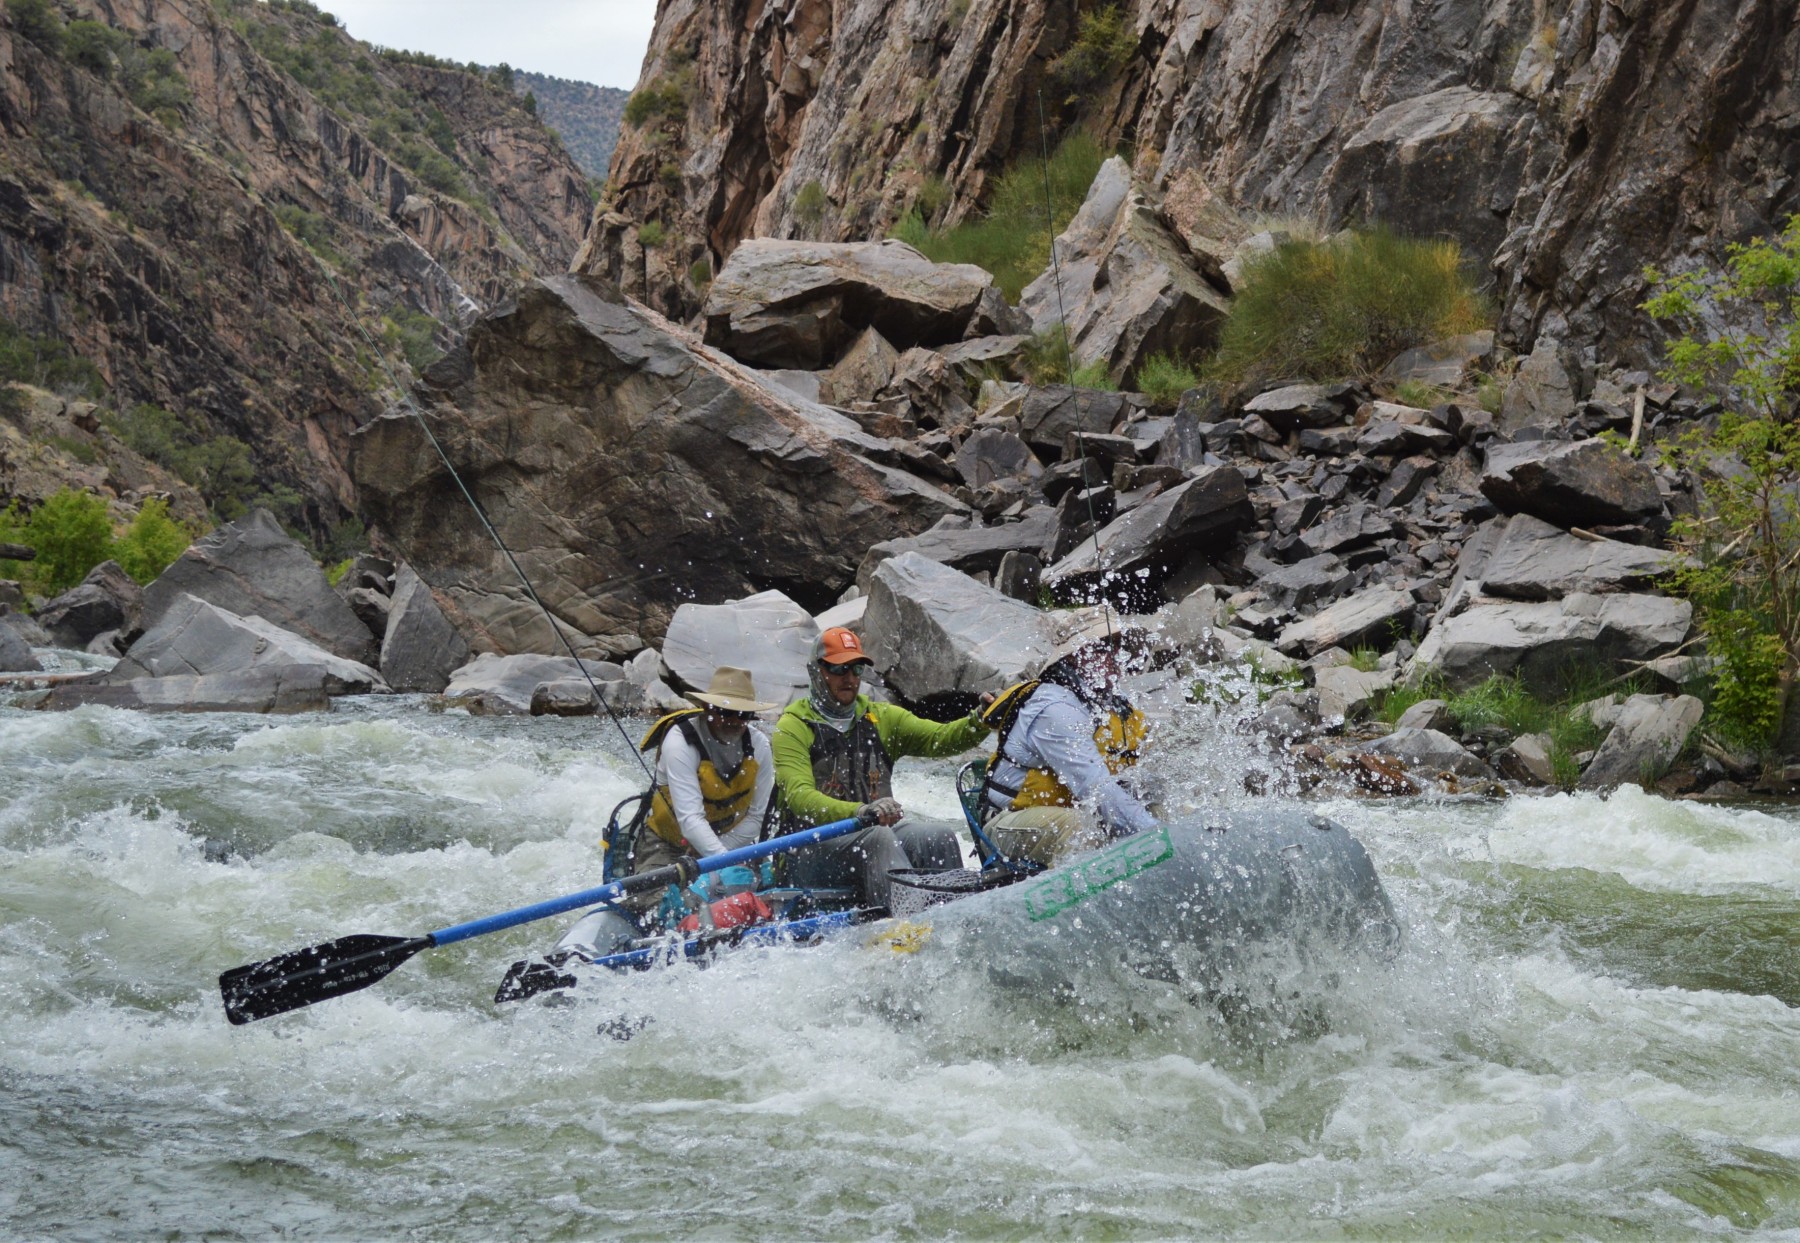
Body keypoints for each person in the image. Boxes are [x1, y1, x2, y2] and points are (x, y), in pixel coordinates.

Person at [771, 626, 989, 912]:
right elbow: (800, 798)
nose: (849, 678)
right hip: (809, 850)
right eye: (839, 669)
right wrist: (860, 811)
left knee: (938, 835)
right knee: (877, 837)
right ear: (816, 672)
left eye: (856, 669)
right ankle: (905, 928)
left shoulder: (881, 718)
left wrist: (981, 719)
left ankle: (959, 920)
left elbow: (941, 739)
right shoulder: (794, 726)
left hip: (872, 836)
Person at [975, 625, 1157, 866]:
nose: (1114, 658)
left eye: (1118, 648)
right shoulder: (1055, 709)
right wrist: (1158, 838)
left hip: (1077, 813)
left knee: (1160, 810)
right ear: (1074, 657)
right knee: (1080, 828)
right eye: (1102, 649)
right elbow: (1097, 791)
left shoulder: (1117, 708)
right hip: (1006, 825)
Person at [623, 666, 779, 912]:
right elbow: (690, 819)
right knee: (658, 908)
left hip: (731, 843)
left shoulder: (760, 746)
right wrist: (724, 865)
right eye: (726, 711)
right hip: (668, 845)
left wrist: (720, 852)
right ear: (708, 709)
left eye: (743, 714)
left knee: (770, 895)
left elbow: (758, 816)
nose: (735, 720)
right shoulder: (680, 742)